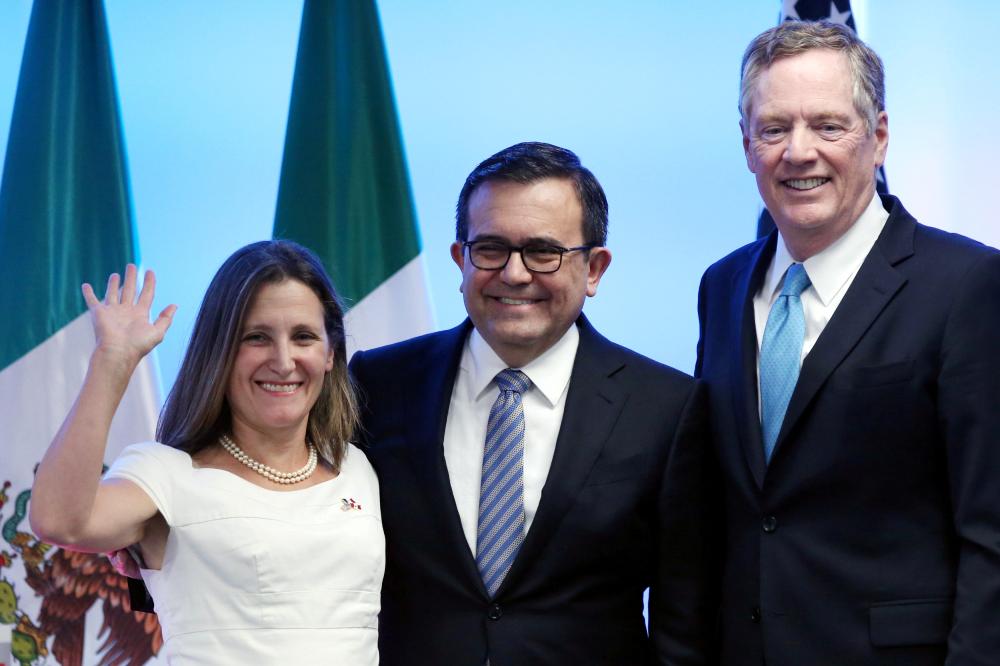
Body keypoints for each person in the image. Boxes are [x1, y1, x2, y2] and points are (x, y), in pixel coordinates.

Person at [696, 20, 1000, 664]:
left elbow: (992, 532)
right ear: (747, 144)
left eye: (828, 126)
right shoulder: (720, 288)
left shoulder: (967, 286)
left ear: (879, 137)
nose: (798, 152)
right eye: (774, 128)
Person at [349, 141, 717, 665]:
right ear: (460, 259)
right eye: (491, 249)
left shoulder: (666, 409)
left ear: (594, 269)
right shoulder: (379, 384)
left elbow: (686, 624)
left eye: (544, 252)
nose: (515, 274)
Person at [29, 241, 384, 664]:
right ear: (221, 352)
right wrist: (113, 362)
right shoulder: (165, 473)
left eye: (303, 337)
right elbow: (58, 522)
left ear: (330, 353)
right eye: (257, 338)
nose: (284, 361)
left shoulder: (358, 468)